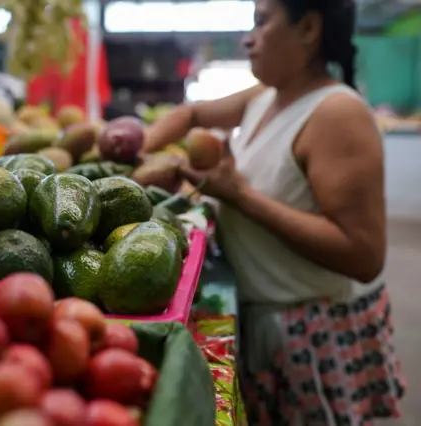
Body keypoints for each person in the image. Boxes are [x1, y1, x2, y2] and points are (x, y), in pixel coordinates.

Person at [145, 0, 405, 424]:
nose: (248, 38)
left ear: (308, 29)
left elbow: (363, 254)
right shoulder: (267, 97)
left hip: (313, 335)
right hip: (265, 324)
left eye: (261, 22)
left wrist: (240, 196)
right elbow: (189, 113)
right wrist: (135, 152)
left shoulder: (336, 113)